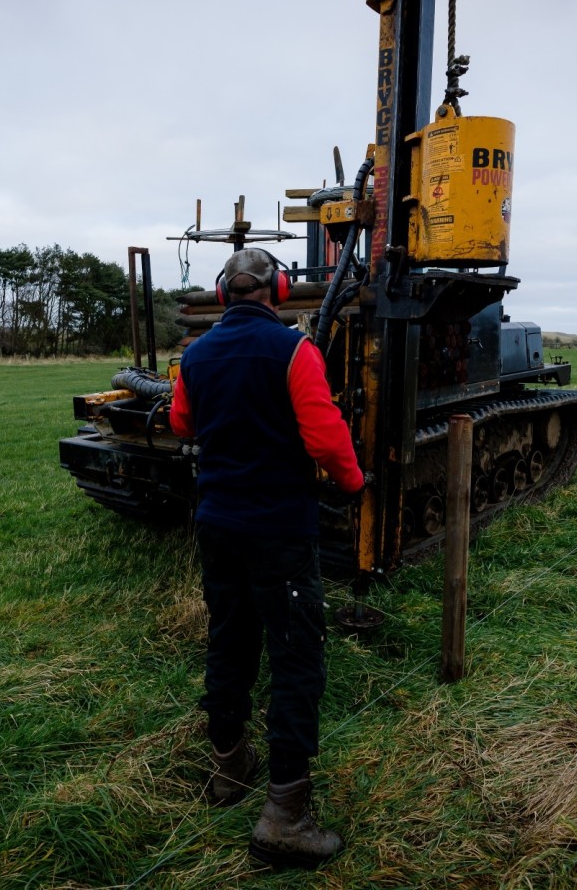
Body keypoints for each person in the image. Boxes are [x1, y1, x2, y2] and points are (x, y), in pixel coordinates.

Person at [169, 247, 366, 870]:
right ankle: (285, 817)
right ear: (278, 290)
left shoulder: (194, 356)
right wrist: (355, 484)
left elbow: (182, 425)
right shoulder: (295, 351)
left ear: (225, 293)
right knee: (296, 659)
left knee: (228, 641)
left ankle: (230, 769)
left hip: (217, 527)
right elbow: (325, 438)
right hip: (279, 533)